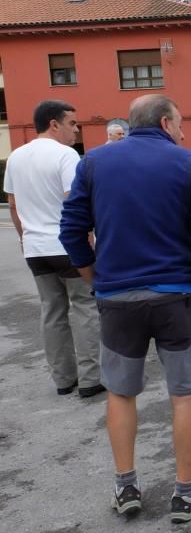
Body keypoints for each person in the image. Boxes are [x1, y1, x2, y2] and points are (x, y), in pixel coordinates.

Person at [60, 94, 191, 523]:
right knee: (185, 392)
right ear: (163, 122)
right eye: (179, 123)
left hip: (117, 299)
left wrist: (93, 280)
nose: (182, 132)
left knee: (120, 392)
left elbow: (71, 231)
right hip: (177, 297)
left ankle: (125, 488)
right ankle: (185, 494)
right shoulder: (190, 164)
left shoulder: (94, 163)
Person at [2, 100, 103, 398]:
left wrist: (24, 238)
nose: (77, 129)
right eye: (72, 123)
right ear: (54, 124)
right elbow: (76, 202)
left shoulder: (16, 157)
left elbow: (12, 204)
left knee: (52, 312)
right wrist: (88, 239)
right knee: (85, 307)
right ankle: (90, 378)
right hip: (66, 246)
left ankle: (63, 379)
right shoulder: (66, 155)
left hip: (36, 249)